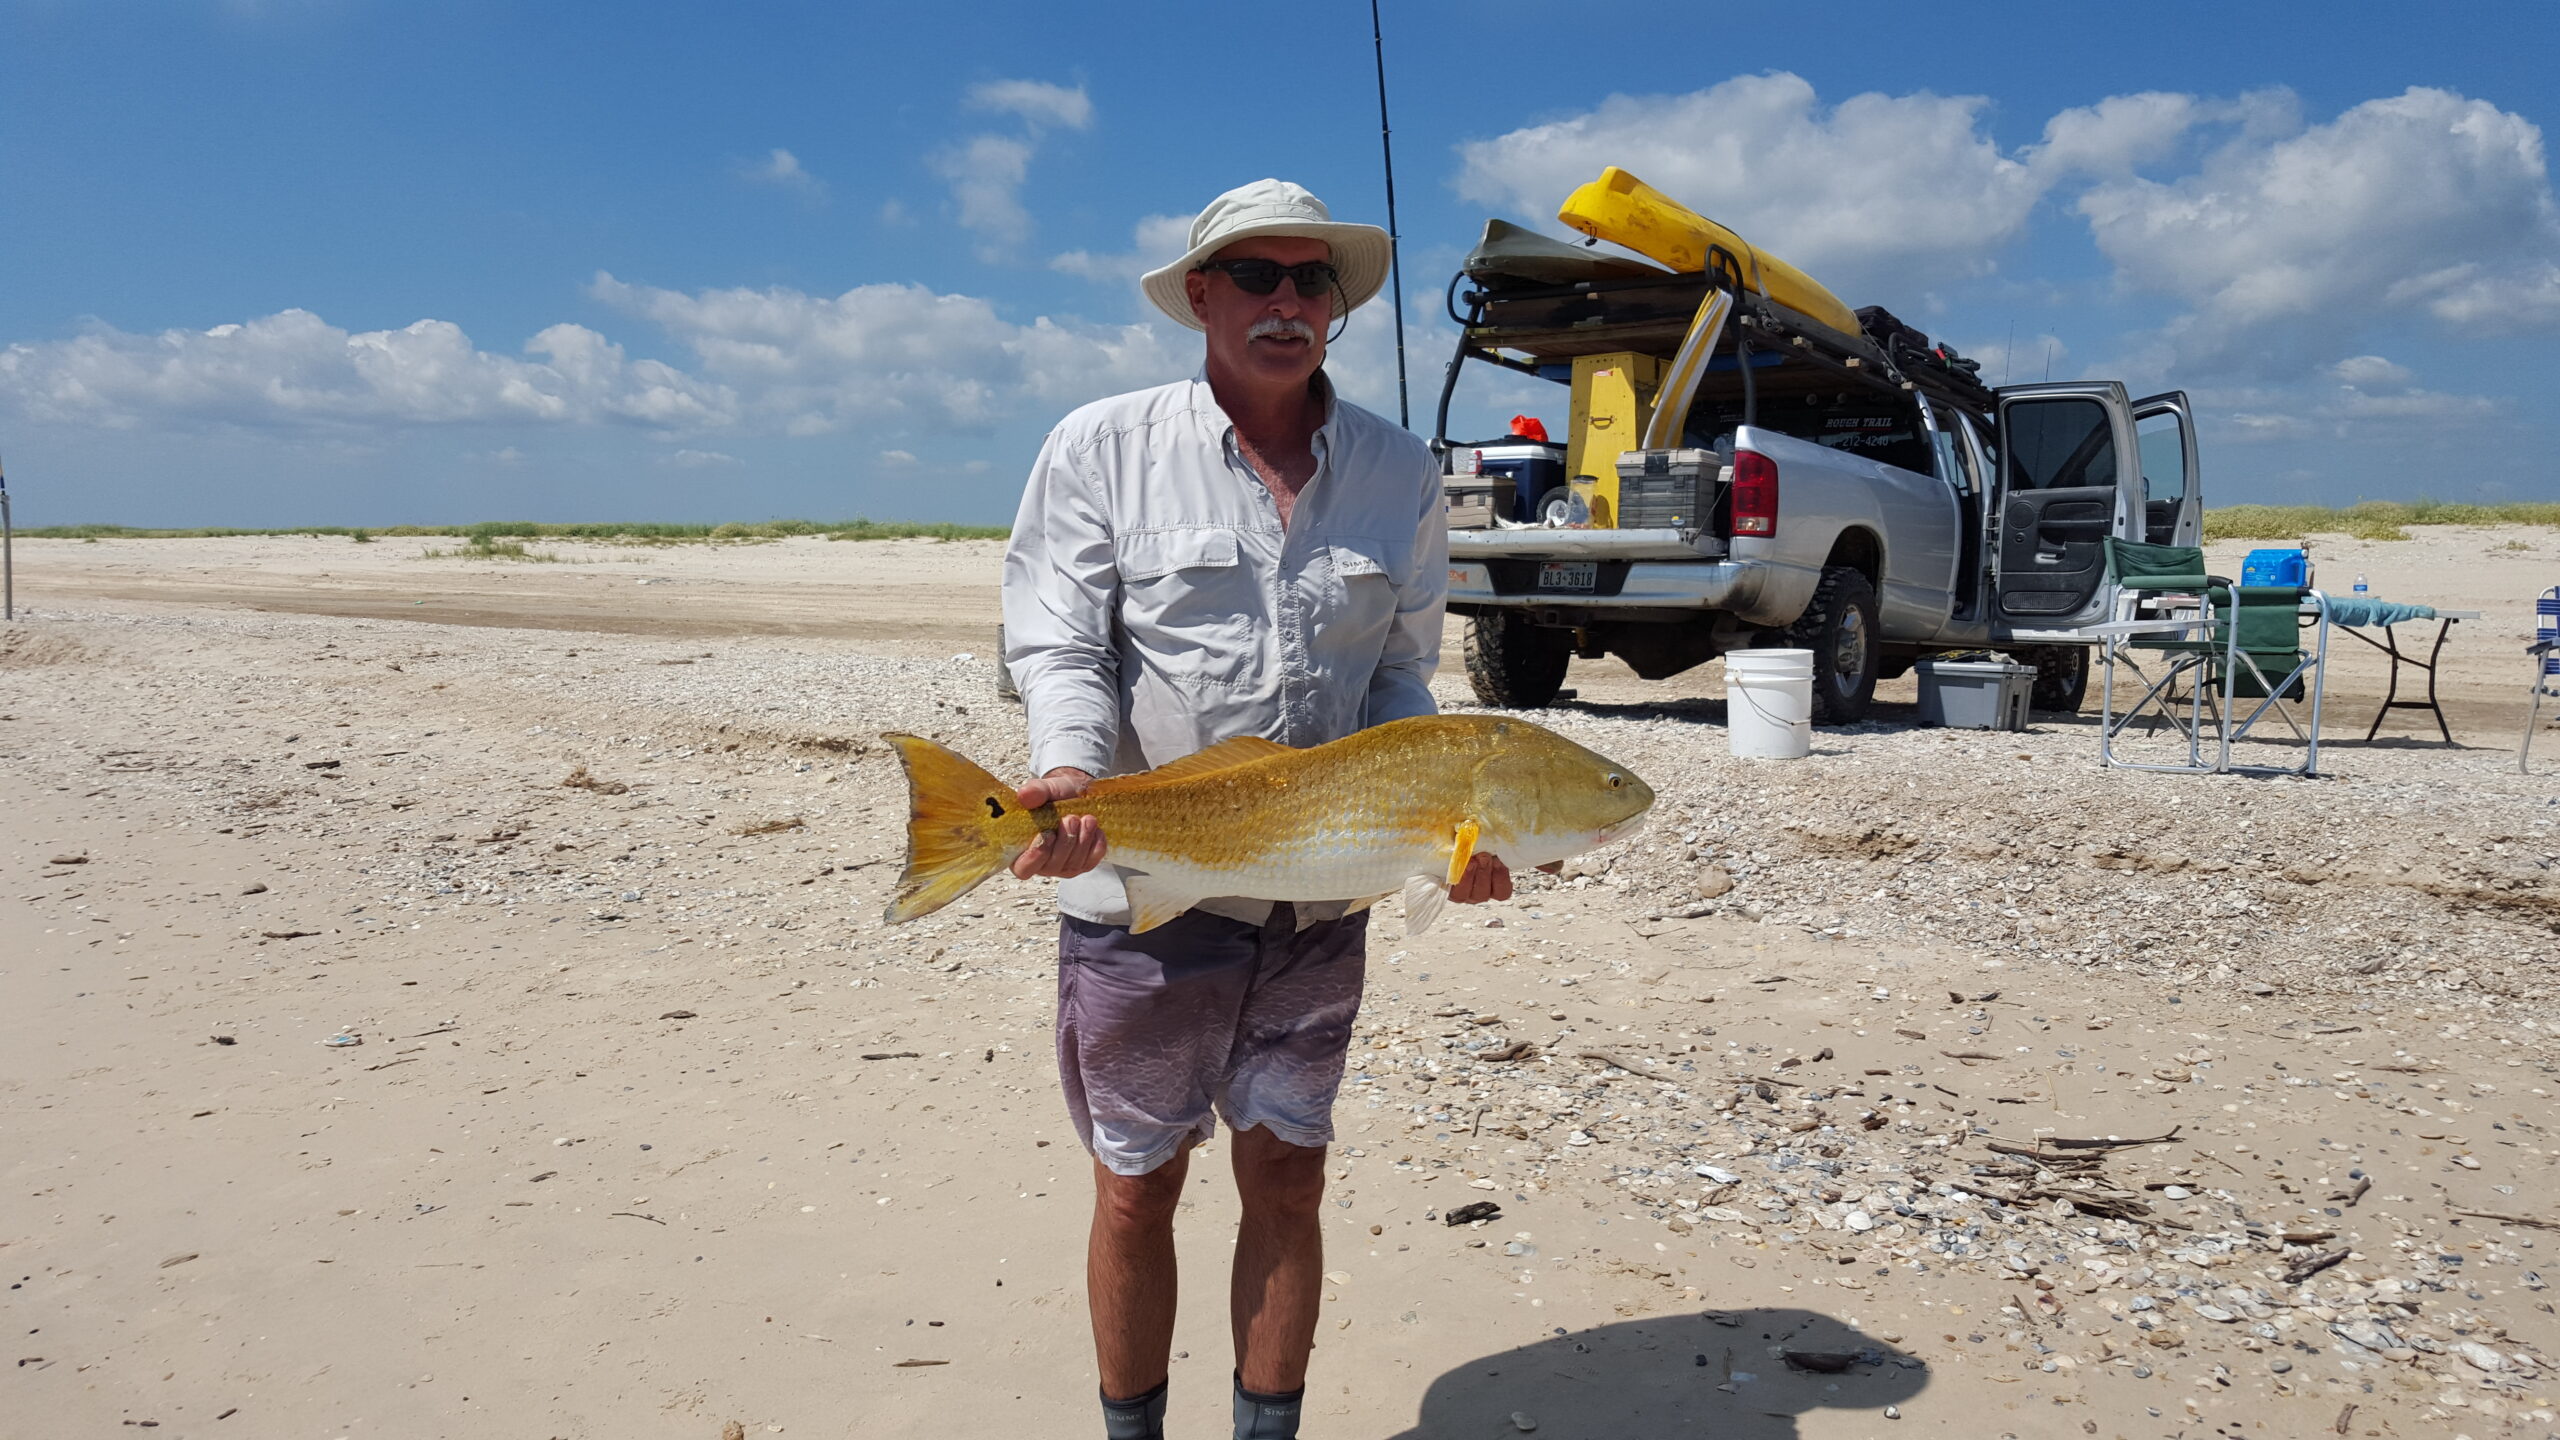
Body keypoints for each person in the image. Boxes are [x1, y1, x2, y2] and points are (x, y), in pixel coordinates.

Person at [1001, 179, 1520, 1440]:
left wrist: (1450, 822)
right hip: (1141, 891)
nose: (1287, 302)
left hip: (1323, 894)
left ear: (1335, 308)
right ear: (1200, 297)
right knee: (1135, 1186)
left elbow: (1402, 670)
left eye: (1312, 281)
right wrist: (1069, 773)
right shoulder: (1100, 445)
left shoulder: (1400, 470)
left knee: (1289, 1177)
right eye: (1256, 276)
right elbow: (1061, 643)